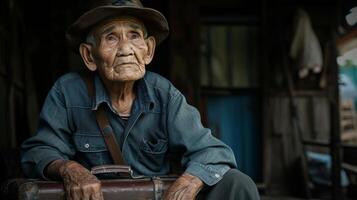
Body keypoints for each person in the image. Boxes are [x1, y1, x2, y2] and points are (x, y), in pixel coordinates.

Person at [20, 0, 260, 199]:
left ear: (149, 50)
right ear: (89, 56)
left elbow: (214, 152)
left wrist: (190, 181)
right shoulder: (68, 91)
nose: (126, 49)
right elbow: (39, 152)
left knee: (237, 183)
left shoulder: (163, 93)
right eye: (111, 38)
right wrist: (70, 169)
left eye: (134, 36)